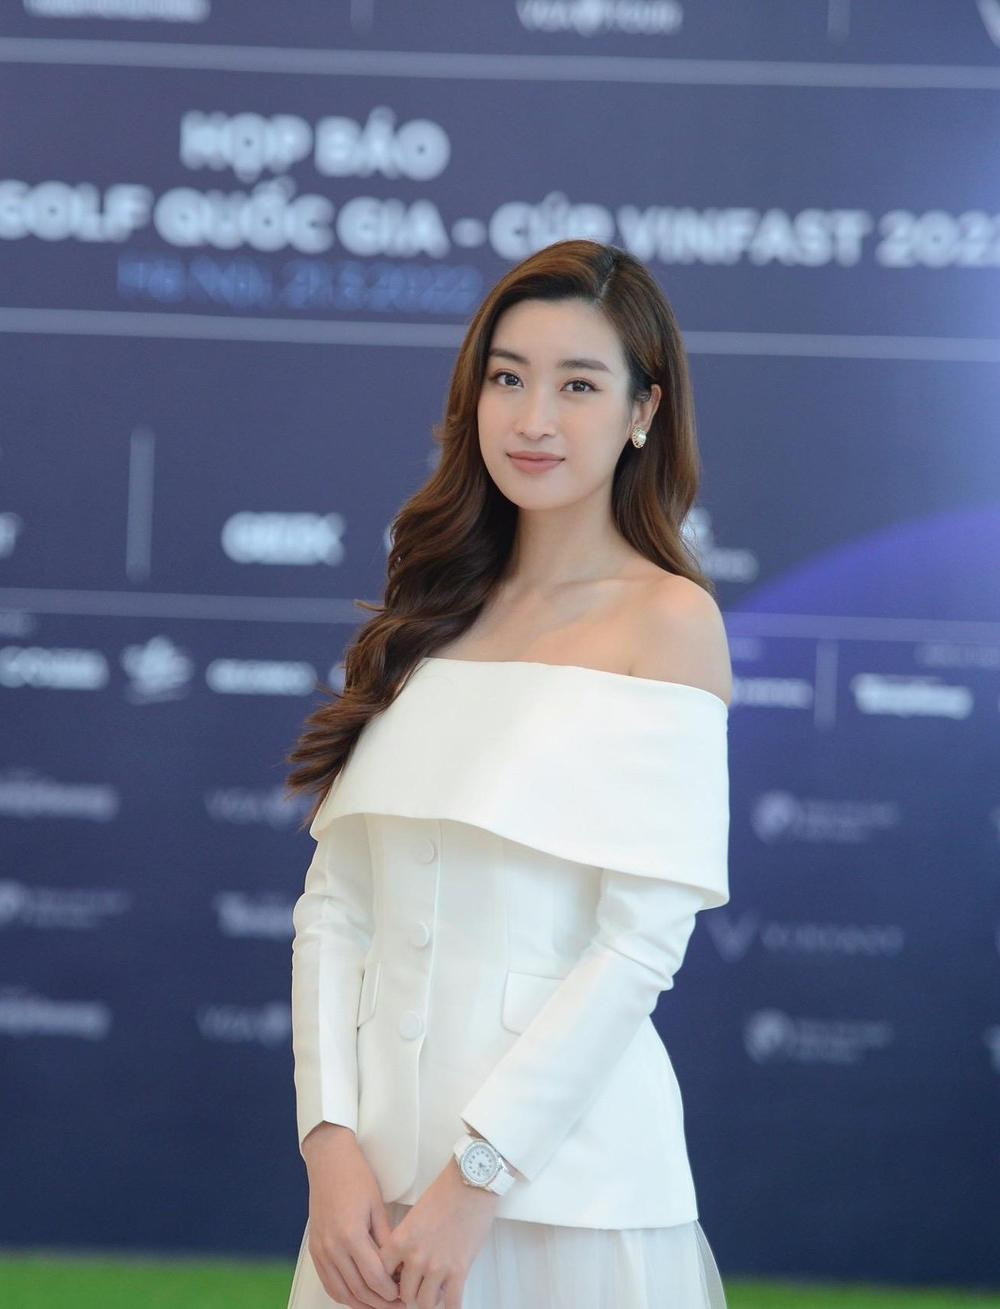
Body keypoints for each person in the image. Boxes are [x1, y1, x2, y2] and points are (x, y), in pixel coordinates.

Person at [282, 238, 733, 1309]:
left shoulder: (668, 622)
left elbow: (639, 940)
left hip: (567, 1203)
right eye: (507, 377)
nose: (533, 419)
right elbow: (337, 904)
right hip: (370, 1206)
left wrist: (478, 1177)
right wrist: (328, 1142)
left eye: (578, 385)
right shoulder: (428, 609)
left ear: (642, 410)